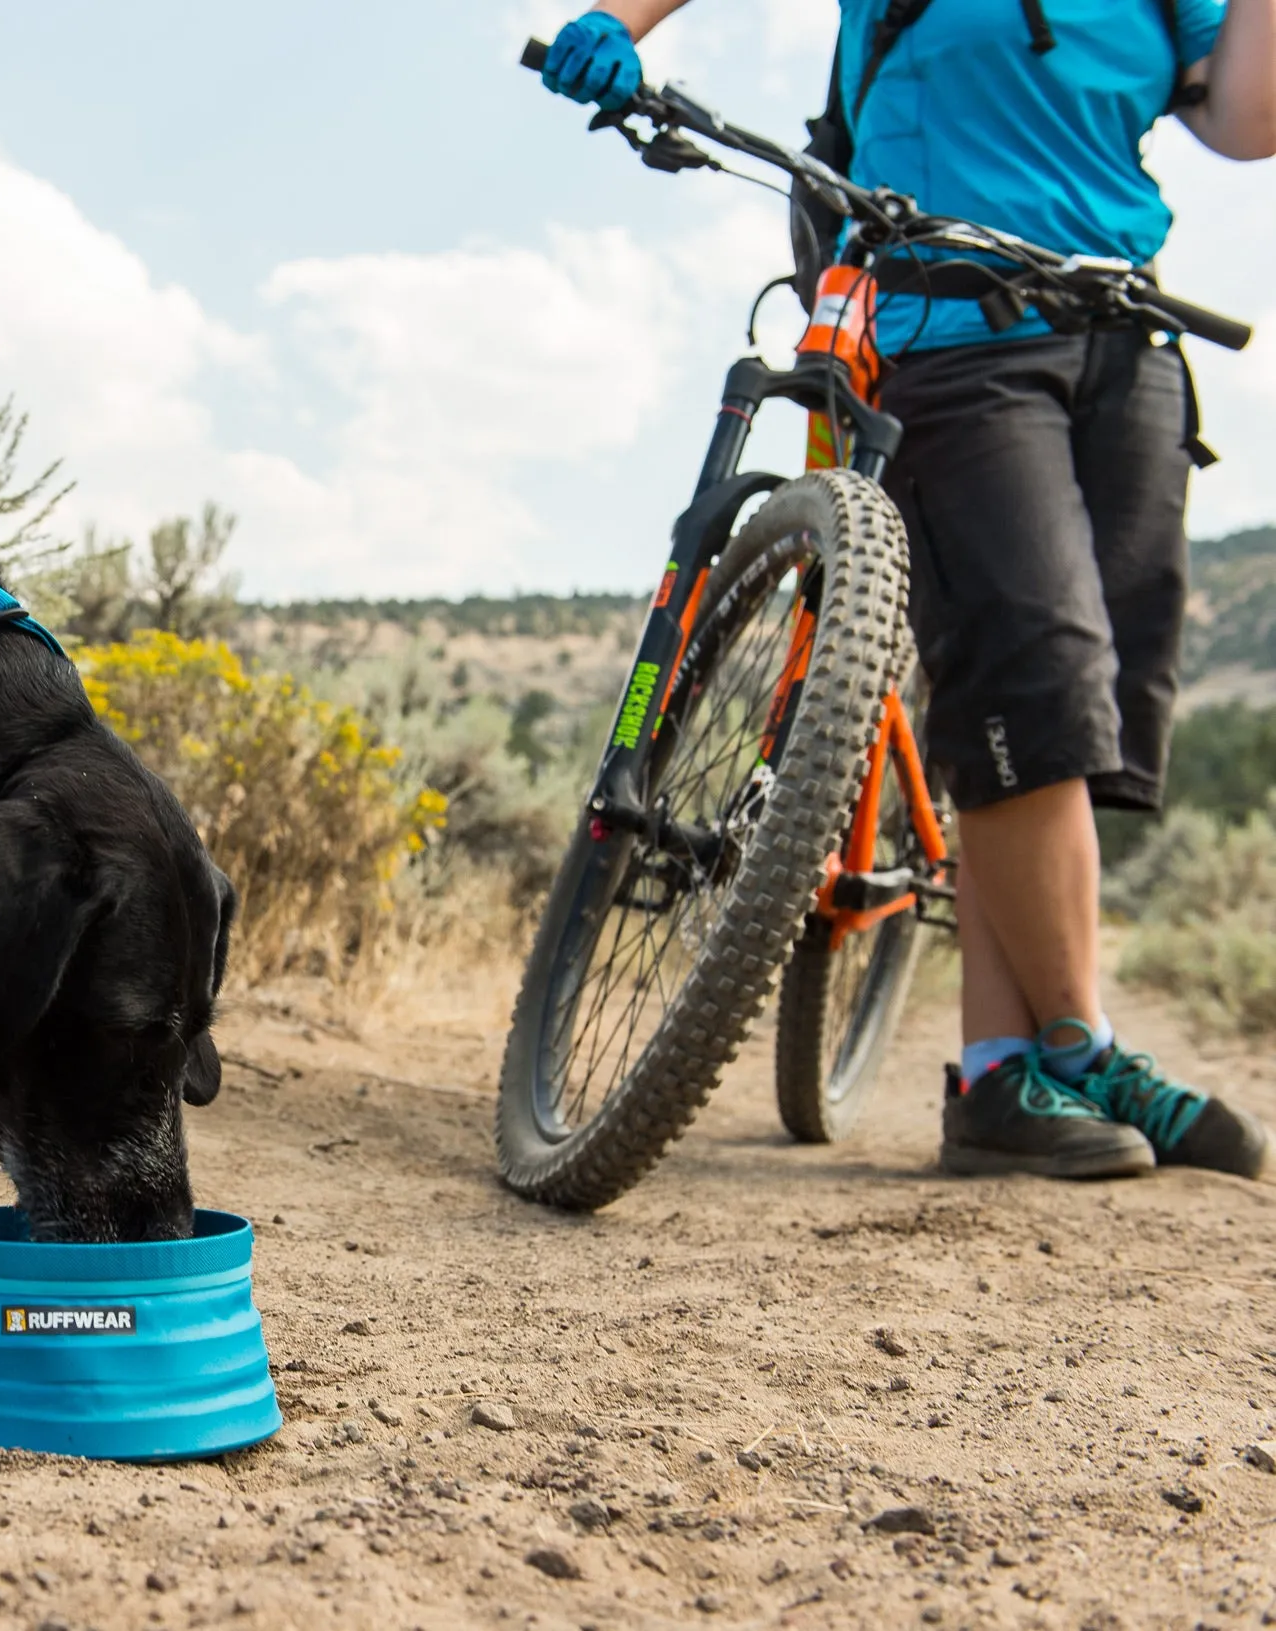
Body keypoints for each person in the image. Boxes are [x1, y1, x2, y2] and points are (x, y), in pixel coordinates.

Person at [539, 0, 1276, 1179]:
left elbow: (1246, 121)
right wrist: (618, 22)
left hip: (1125, 333)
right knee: (1034, 667)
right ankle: (1084, 1047)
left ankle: (997, 1075)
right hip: (948, 328)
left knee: (1067, 725)